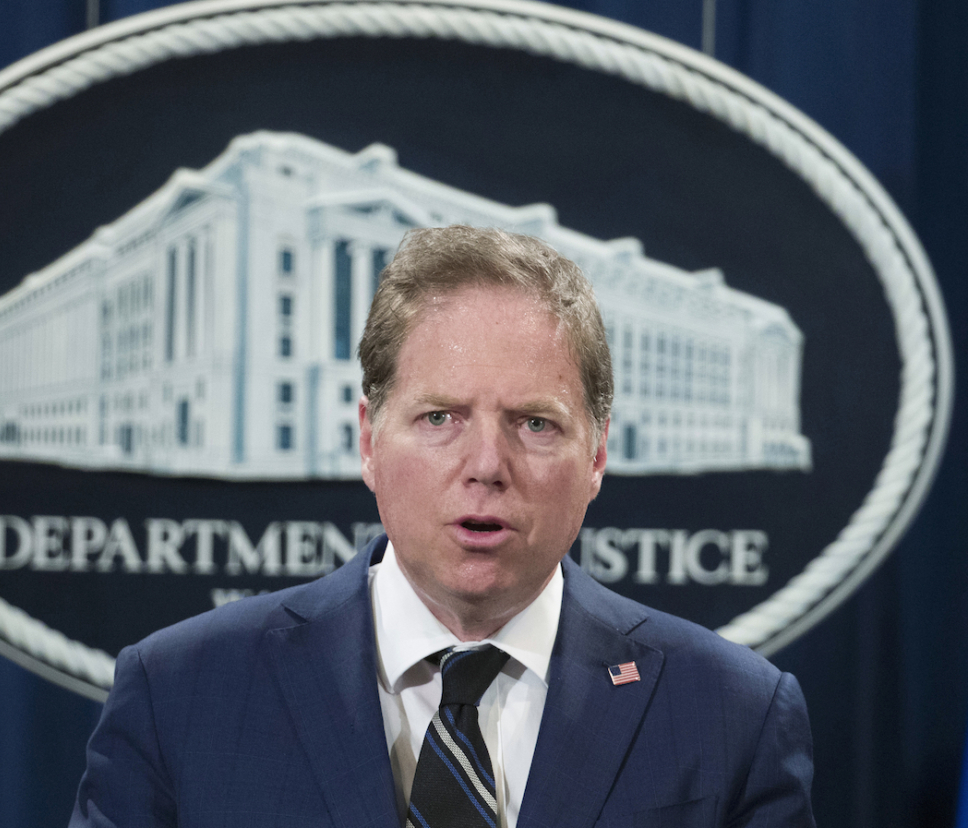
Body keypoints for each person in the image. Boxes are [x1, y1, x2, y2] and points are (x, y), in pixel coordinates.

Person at [69, 225, 815, 827]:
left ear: (597, 456)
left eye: (535, 422)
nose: (487, 464)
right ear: (368, 440)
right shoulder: (180, 695)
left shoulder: (732, 714)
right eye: (439, 418)